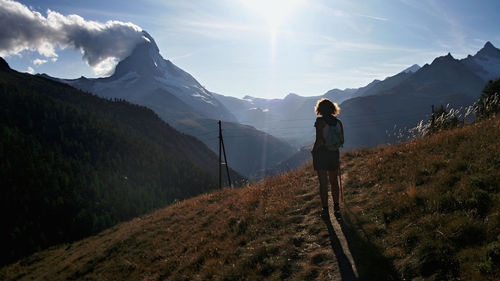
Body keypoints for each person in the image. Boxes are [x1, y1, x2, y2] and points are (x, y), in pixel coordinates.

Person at [312, 98, 344, 218]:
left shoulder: (320, 122)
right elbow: (342, 140)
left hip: (321, 154)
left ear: (319, 109)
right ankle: (336, 206)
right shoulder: (338, 122)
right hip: (334, 153)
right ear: (332, 109)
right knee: (334, 181)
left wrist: (314, 151)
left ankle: (325, 209)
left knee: (323, 183)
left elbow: (319, 140)